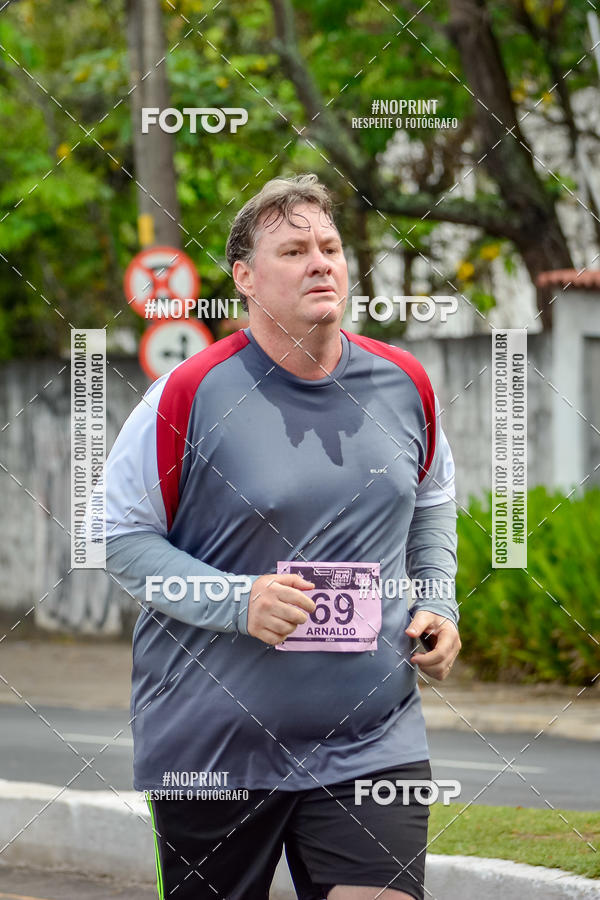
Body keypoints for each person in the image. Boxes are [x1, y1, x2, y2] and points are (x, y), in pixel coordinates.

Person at [104, 173, 461, 900]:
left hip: (370, 741)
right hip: (213, 748)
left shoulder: (405, 383)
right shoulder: (187, 394)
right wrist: (239, 601)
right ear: (244, 276)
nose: (321, 261)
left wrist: (439, 603)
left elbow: (431, 502)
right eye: (294, 249)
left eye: (329, 246)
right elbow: (119, 541)